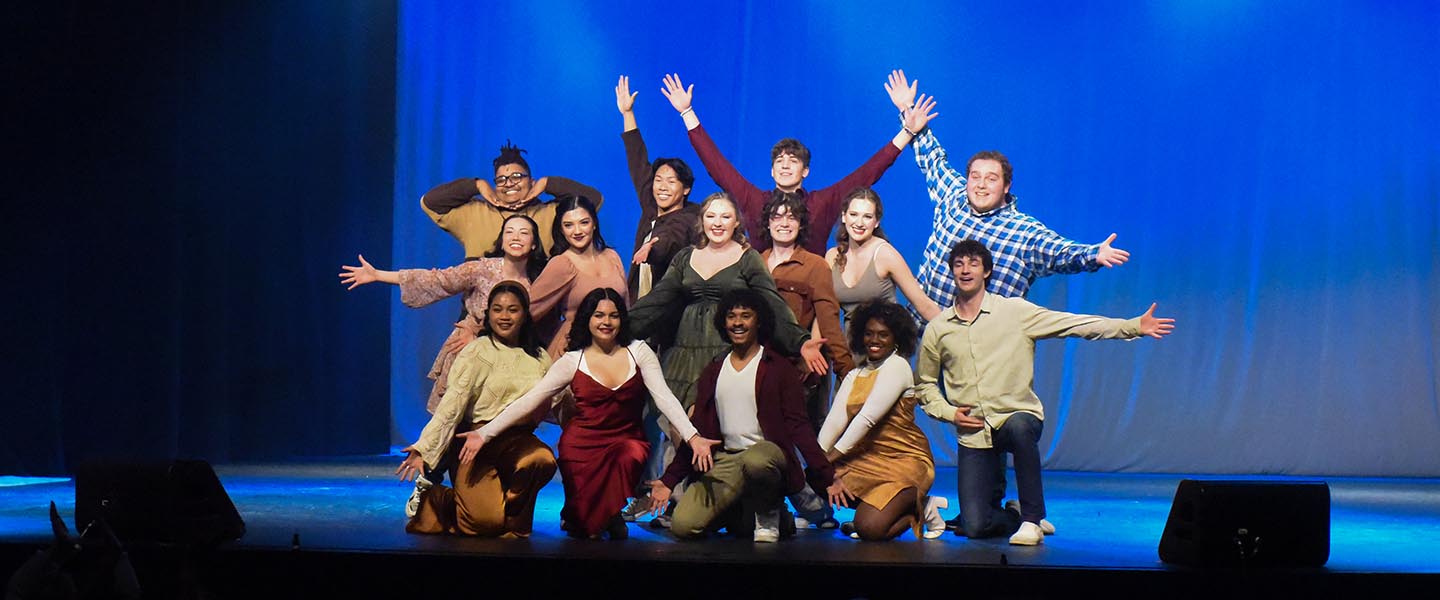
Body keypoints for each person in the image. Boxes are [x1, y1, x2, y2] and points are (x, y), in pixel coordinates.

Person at [913, 240, 1175, 545]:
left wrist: (1131, 326)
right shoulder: (939, 328)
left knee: (1021, 427)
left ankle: (1032, 519)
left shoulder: (1014, 312)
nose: (965, 270)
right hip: (974, 430)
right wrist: (949, 413)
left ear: (987, 272)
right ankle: (1015, 512)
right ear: (951, 272)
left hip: (1015, 415)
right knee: (974, 527)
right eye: (959, 264)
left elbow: (1074, 324)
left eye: (973, 263)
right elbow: (926, 385)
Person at [472, 288, 718, 540]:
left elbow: (664, 398)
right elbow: (531, 400)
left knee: (628, 456)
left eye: (613, 315)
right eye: (599, 315)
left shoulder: (639, 351)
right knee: (582, 528)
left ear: (622, 319)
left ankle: (606, 517)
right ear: (587, 319)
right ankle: (601, 517)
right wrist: (484, 432)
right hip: (581, 448)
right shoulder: (573, 360)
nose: (606, 322)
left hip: (626, 440)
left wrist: (693, 436)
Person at [882, 70, 1130, 306]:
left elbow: (1060, 252)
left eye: (991, 179)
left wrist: (1094, 254)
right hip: (927, 332)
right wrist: (906, 108)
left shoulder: (1024, 232)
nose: (980, 185)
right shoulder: (953, 195)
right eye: (975, 177)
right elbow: (933, 157)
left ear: (1006, 186)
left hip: (982, 345)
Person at [659, 73, 937, 254]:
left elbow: (870, 172)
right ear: (771, 171)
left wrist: (908, 131)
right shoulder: (754, 200)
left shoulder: (824, 202)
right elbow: (716, 165)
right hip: (759, 302)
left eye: (793, 161)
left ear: (806, 171)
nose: (785, 165)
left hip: (808, 302)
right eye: (779, 161)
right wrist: (687, 112)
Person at [647, 290, 834, 542]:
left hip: (766, 456)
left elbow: (799, 427)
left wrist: (827, 476)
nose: (738, 322)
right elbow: (698, 429)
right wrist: (668, 481)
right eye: (731, 316)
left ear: (758, 321)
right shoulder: (714, 370)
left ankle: (768, 513)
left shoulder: (778, 368)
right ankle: (756, 516)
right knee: (684, 526)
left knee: (757, 460)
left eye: (746, 316)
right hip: (726, 459)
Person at [394, 281, 556, 537]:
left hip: (517, 442)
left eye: (512, 310)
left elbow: (555, 402)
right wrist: (424, 447)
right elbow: (452, 405)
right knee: (483, 525)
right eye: (497, 309)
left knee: (541, 459)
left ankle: (511, 518)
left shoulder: (538, 357)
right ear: (488, 314)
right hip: (475, 445)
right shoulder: (476, 352)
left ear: (524, 314)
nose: (504, 316)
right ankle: (439, 499)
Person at [339, 214, 548, 412]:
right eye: (509, 232)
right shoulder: (480, 269)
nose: (516, 237)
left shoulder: (542, 279)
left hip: (511, 358)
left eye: (524, 232)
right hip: (470, 349)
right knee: (457, 419)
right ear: (501, 241)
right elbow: (437, 280)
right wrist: (378, 275)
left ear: (534, 243)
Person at [759, 190, 854, 529]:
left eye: (791, 218)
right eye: (777, 217)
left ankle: (816, 506)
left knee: (805, 438)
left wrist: (847, 371)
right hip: (759, 367)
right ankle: (776, 506)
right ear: (767, 222)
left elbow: (829, 318)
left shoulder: (815, 265)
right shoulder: (754, 261)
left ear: (801, 225)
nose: (784, 223)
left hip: (800, 369)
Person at [818, 301, 945, 541]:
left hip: (903, 461)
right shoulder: (856, 373)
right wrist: (818, 461)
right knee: (813, 474)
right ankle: (877, 511)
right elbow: (835, 421)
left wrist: (828, 459)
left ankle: (920, 506)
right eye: (868, 333)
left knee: (870, 529)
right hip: (868, 459)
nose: (874, 340)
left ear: (896, 337)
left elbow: (867, 419)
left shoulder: (897, 367)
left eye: (883, 334)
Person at [420, 141, 605, 259]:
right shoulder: (474, 213)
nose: (509, 183)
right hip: (480, 316)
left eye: (517, 176)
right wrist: (476, 185)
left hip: (539, 314)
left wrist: (548, 184)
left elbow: (593, 200)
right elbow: (431, 202)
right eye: (501, 179)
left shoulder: (551, 213)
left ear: (531, 181)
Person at [616, 75, 702, 301]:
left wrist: (653, 248)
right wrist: (627, 114)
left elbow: (672, 236)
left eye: (671, 181)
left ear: (686, 189)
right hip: (636, 304)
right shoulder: (651, 204)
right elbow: (637, 159)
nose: (662, 187)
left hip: (668, 311)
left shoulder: (692, 217)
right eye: (658, 180)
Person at [528, 195, 629, 359]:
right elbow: (529, 310)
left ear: (594, 224)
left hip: (613, 348)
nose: (577, 231)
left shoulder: (612, 256)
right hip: (574, 349)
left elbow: (625, 309)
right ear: (561, 229)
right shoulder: (561, 264)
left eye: (584, 222)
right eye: (568, 225)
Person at [827, 187, 942, 325]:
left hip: (885, 340)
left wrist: (959, 336)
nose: (859, 223)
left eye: (867, 217)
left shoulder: (885, 254)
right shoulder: (832, 257)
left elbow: (923, 305)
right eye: (854, 214)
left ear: (876, 222)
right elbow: (824, 309)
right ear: (844, 216)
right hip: (849, 344)